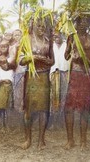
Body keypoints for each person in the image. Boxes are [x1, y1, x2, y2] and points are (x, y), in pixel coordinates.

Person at [64, 17, 90, 150]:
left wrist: (85, 60)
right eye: (80, 22)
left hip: (87, 75)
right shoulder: (71, 38)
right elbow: (66, 56)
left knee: (85, 108)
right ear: (76, 24)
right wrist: (72, 54)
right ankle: (70, 140)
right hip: (74, 75)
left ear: (89, 24)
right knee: (69, 108)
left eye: (86, 22)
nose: (83, 24)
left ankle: (83, 140)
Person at [20, 18, 54, 150]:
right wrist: (33, 58)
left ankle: (41, 140)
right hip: (31, 77)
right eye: (39, 26)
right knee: (29, 109)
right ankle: (28, 139)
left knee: (43, 110)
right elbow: (21, 61)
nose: (41, 28)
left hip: (44, 76)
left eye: (43, 27)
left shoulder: (48, 41)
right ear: (33, 26)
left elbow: (52, 61)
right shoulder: (26, 39)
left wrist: (44, 60)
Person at [49, 31, 70, 129]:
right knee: (53, 97)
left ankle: (62, 122)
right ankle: (53, 121)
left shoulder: (67, 45)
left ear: (62, 35)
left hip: (65, 73)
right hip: (54, 74)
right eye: (54, 35)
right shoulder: (51, 46)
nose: (56, 37)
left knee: (64, 97)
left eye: (58, 34)